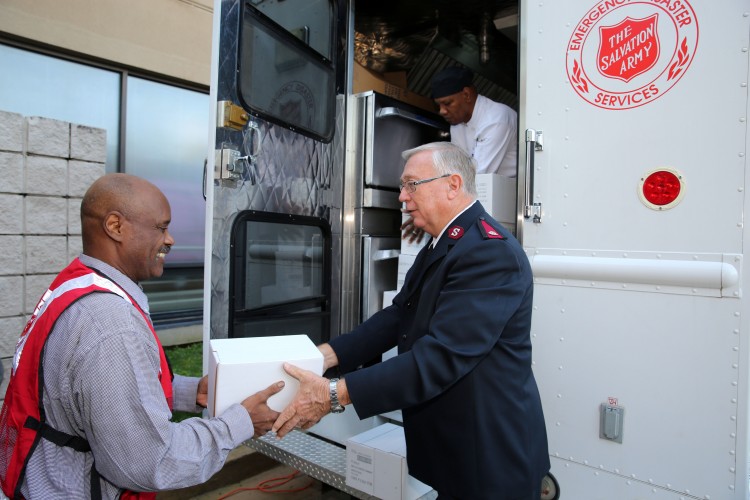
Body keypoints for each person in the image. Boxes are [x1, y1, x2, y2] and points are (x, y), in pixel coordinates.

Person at [273, 142, 550, 499]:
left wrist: (333, 394)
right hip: (459, 446)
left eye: (411, 185)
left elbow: (440, 357)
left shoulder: (488, 252)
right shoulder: (445, 243)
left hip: (490, 452)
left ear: (452, 184)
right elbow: (399, 315)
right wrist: (326, 355)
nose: (402, 197)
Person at [0, 173, 283, 499]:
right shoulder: (110, 323)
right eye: (161, 227)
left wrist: (194, 393)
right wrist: (240, 423)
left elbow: (99, 390)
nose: (170, 239)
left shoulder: (76, 284)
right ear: (115, 227)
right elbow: (152, 461)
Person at [402, 65, 518, 242]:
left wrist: (430, 212)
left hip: (502, 201)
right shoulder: (457, 124)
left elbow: (472, 175)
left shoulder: (497, 119)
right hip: (475, 196)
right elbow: (454, 170)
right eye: (438, 105)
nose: (442, 111)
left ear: (466, 94)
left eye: (447, 103)